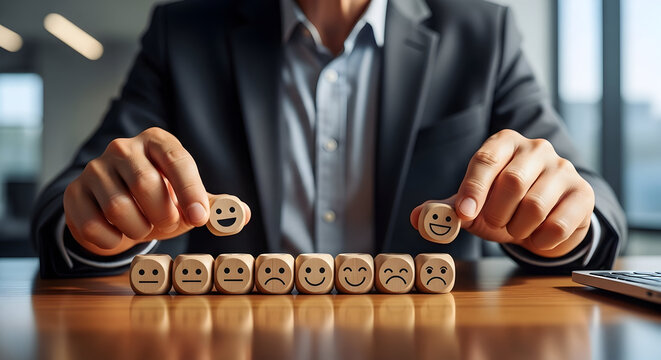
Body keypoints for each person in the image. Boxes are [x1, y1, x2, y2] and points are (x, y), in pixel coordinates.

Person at [31, 0, 626, 278]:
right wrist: (98, 223)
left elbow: (589, 202)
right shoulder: (184, 31)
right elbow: (69, 203)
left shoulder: (482, 31)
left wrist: (561, 222)